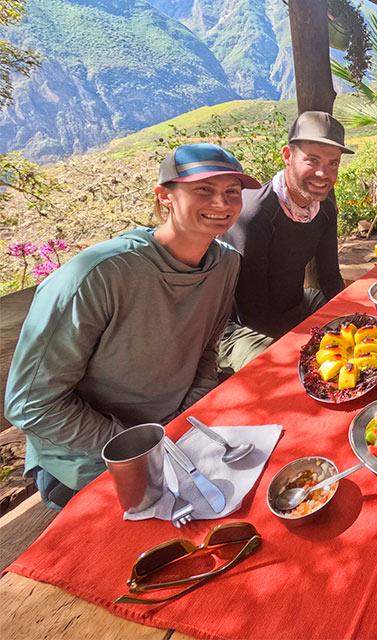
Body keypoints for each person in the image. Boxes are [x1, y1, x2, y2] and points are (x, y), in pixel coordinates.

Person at [4, 144, 259, 509]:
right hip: (90, 463)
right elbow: (30, 404)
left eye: (231, 192)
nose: (221, 203)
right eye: (203, 190)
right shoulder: (98, 276)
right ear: (164, 197)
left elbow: (207, 344)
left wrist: (184, 417)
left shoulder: (225, 264)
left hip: (176, 438)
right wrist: (140, 446)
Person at [217, 111, 353, 371]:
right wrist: (307, 344)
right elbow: (251, 310)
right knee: (287, 370)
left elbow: (330, 276)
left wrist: (346, 324)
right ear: (288, 156)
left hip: (294, 305)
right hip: (241, 327)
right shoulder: (256, 214)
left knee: (354, 324)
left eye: (333, 163)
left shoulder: (322, 208)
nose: (323, 174)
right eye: (312, 160)